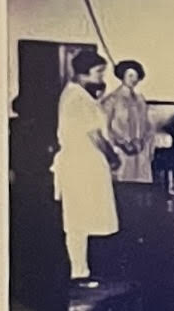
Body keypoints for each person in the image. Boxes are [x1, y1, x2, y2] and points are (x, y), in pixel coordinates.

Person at [51, 47, 120, 283]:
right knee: (77, 221)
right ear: (83, 73)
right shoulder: (77, 98)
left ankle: (81, 270)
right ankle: (78, 273)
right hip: (80, 165)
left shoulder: (79, 95)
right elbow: (94, 135)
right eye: (98, 72)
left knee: (82, 220)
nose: (101, 77)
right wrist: (112, 157)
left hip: (85, 164)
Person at [100, 59, 156, 187]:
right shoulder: (112, 100)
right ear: (122, 76)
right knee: (123, 185)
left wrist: (143, 142)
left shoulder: (140, 100)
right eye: (130, 75)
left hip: (140, 151)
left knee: (141, 186)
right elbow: (105, 127)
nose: (133, 79)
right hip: (121, 152)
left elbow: (148, 125)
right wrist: (122, 143)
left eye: (136, 76)